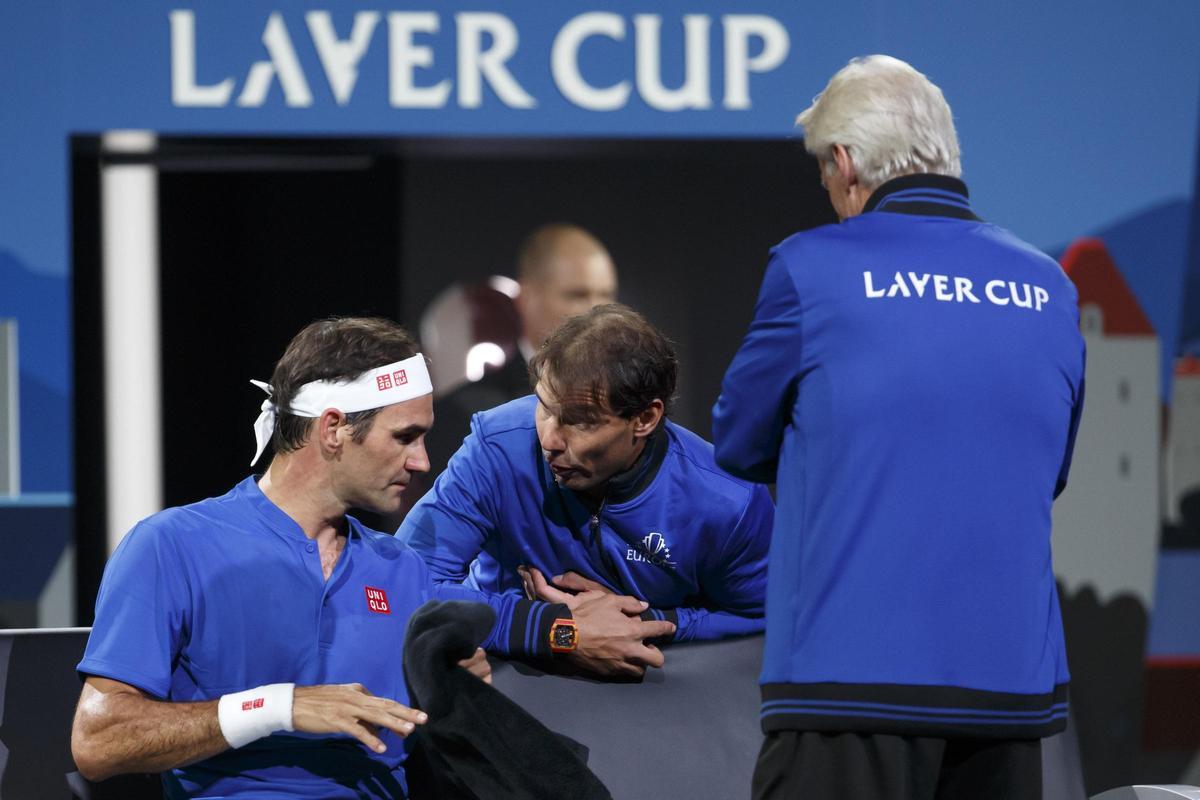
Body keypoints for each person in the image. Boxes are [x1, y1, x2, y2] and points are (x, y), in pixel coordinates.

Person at [712, 55, 1086, 800]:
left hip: (850, 684)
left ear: (845, 164)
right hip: (1008, 689)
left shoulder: (810, 267)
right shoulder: (1051, 285)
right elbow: (1052, 469)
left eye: (825, 174)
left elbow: (738, 438)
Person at [69, 317, 646, 798]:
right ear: (334, 430)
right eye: (405, 437)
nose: (422, 462)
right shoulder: (172, 545)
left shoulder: (403, 570)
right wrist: (279, 707)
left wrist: (563, 636)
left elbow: (507, 622)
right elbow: (98, 741)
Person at [401, 304, 775, 677]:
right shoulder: (496, 448)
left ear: (644, 419)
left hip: (654, 693)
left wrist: (643, 619)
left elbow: (766, 614)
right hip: (509, 674)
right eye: (544, 407)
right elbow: (402, 584)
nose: (548, 439)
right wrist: (555, 627)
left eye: (578, 423)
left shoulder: (728, 501)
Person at [422, 223, 619, 480]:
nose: (597, 310)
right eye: (576, 295)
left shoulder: (631, 403)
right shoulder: (467, 414)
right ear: (526, 298)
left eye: (606, 294)